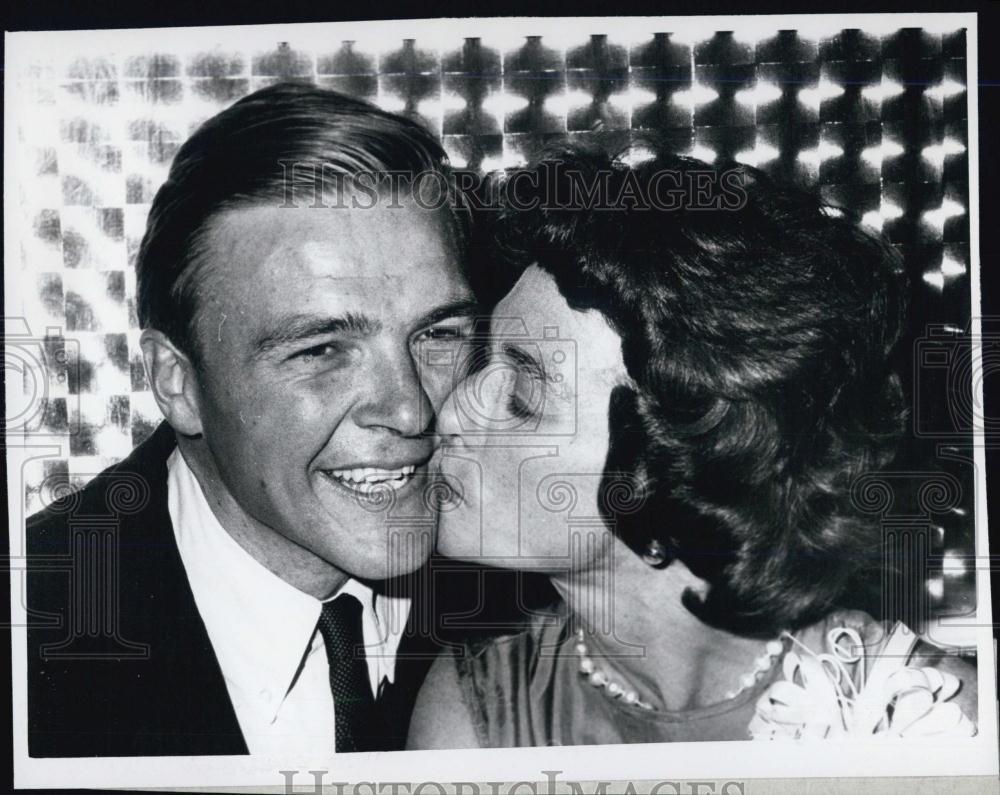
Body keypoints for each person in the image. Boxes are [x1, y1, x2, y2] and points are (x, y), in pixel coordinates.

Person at [407, 145, 979, 748]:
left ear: (685, 462)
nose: (451, 411)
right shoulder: (476, 709)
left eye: (523, 394)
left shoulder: (914, 713)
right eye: (482, 361)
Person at [26, 82, 479, 757]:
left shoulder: (548, 602)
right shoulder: (32, 631)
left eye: (438, 334)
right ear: (178, 382)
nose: (410, 409)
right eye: (321, 349)